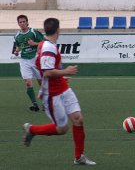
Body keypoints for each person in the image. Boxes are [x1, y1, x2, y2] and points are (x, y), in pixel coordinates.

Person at [22, 18, 96, 165]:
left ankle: (79, 156)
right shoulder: (48, 47)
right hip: (52, 93)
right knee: (62, 129)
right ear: (58, 30)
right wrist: (65, 71)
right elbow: (48, 72)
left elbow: (46, 70)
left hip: (62, 87)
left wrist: (62, 76)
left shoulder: (45, 44)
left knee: (78, 119)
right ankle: (32, 129)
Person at [14, 15, 44, 111]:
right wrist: (17, 50)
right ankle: (35, 105)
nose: (22, 23)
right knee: (28, 82)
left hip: (35, 58)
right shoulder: (17, 36)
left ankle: (45, 103)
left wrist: (34, 44)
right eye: (20, 22)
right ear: (18, 24)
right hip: (24, 60)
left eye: (24, 21)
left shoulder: (33, 32)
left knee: (41, 82)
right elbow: (18, 46)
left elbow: (44, 43)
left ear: (27, 22)